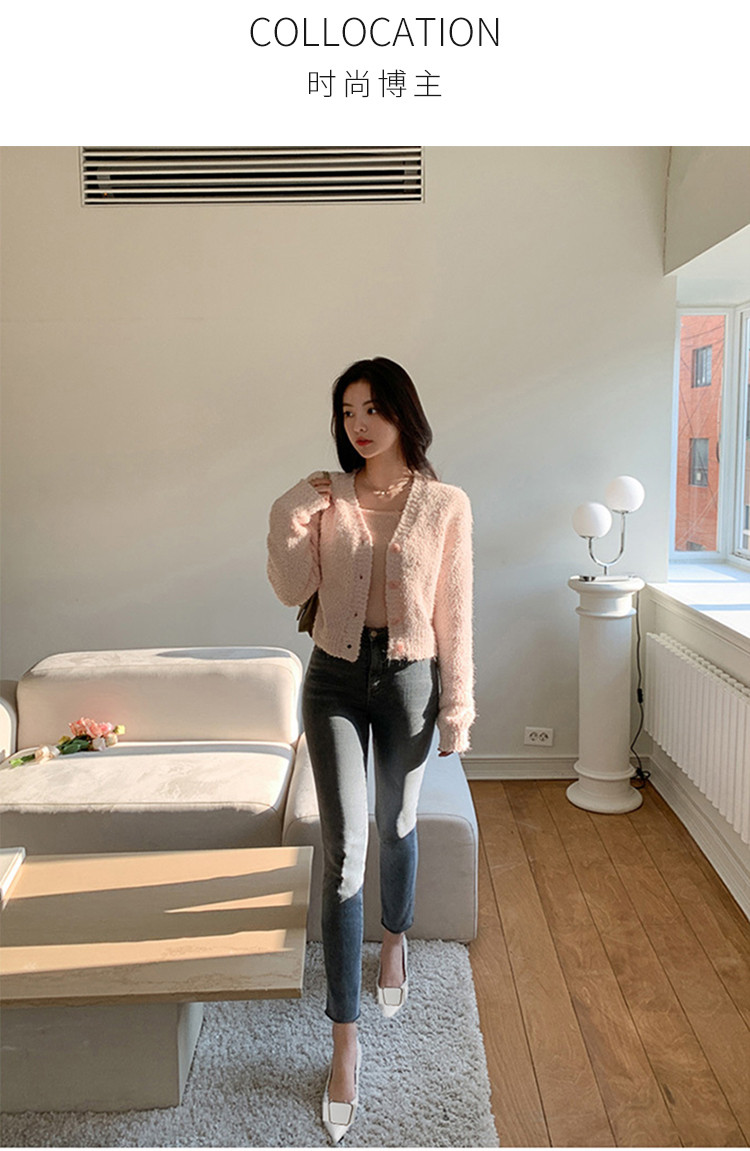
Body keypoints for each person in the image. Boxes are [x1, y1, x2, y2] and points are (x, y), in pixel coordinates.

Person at [267, 356, 475, 1143]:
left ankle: (395, 938)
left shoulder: (445, 503)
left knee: (397, 823)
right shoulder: (327, 497)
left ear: (402, 412)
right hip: (332, 679)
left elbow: (455, 611)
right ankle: (344, 1042)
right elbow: (291, 586)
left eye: (372, 408)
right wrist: (290, 509)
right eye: (347, 411)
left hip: (412, 679)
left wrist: (459, 702)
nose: (358, 424)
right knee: (345, 849)